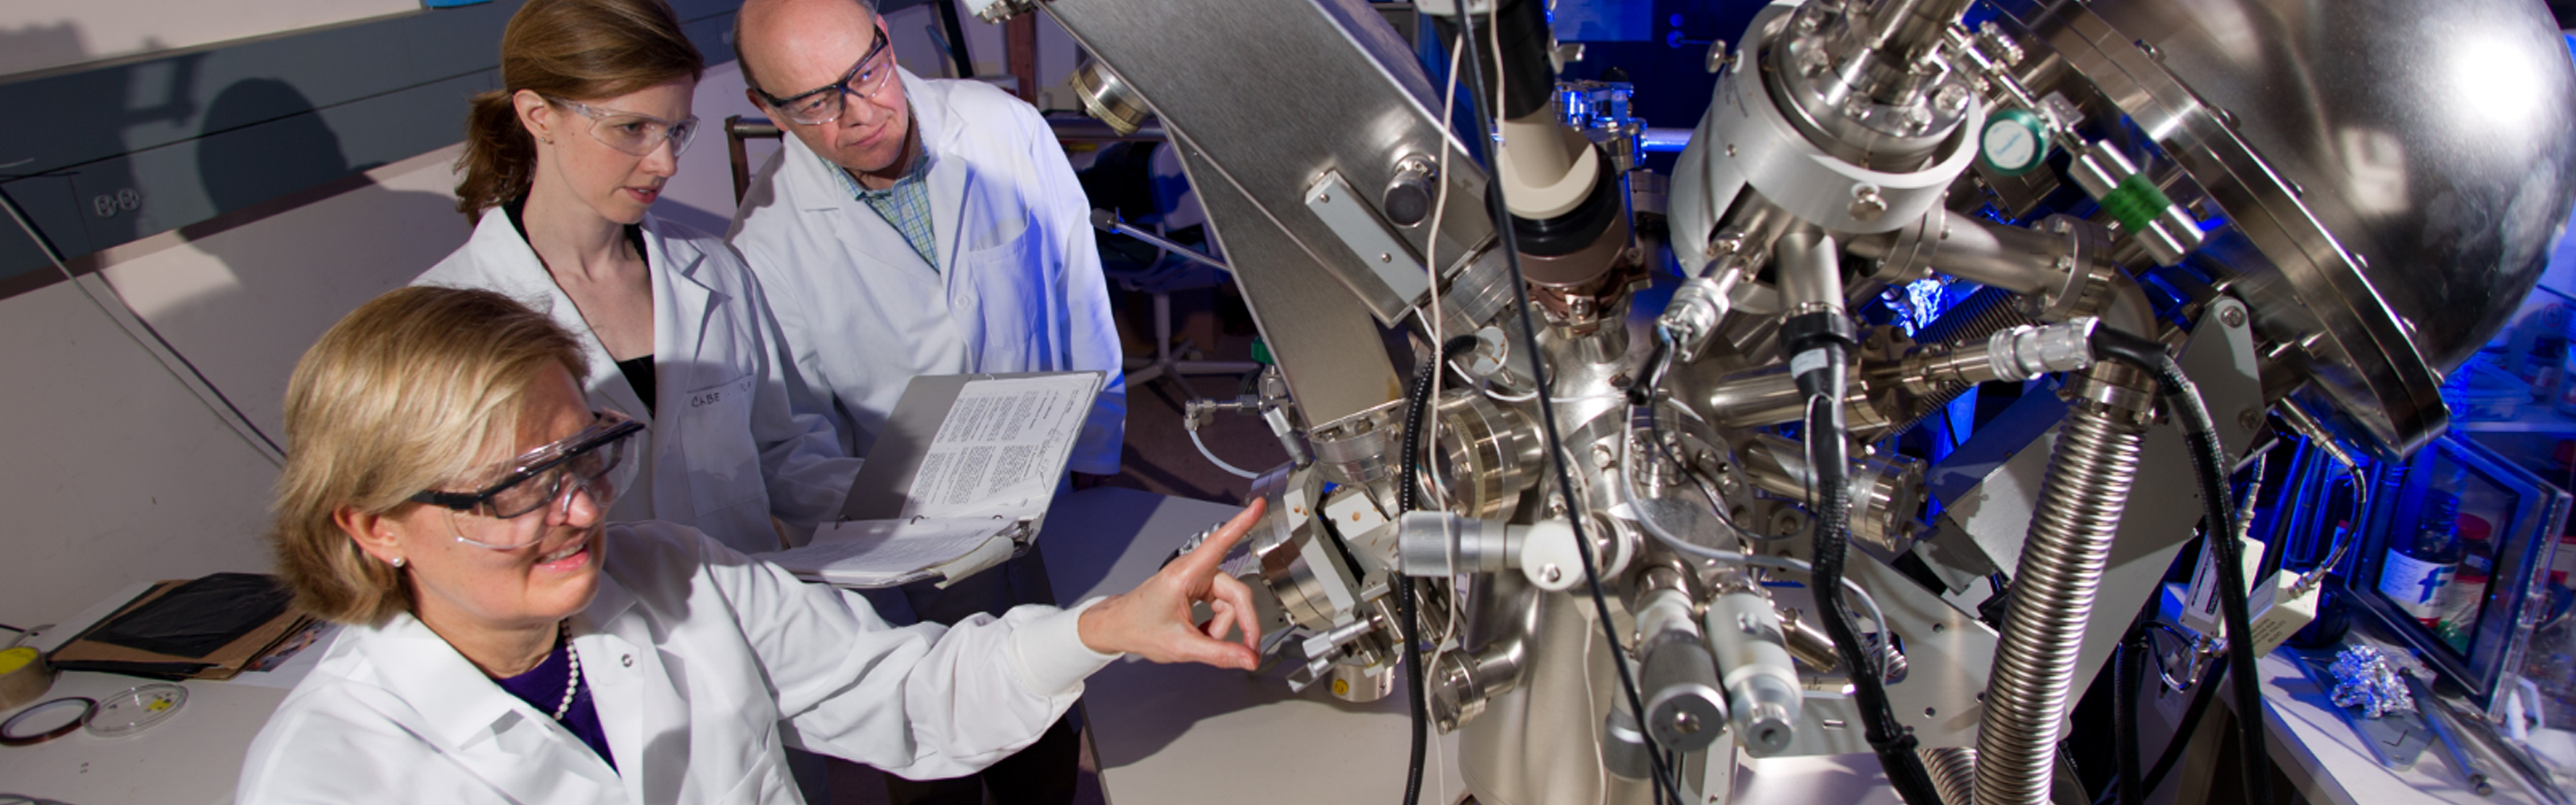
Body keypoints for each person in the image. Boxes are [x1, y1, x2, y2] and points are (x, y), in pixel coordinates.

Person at [236, 286, 1265, 804]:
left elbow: (908, 695)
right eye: (517, 489)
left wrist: (1110, 627)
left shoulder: (677, 572)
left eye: (583, 458)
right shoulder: (328, 773)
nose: (583, 513)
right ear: (373, 525)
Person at [726, 2, 1127, 800]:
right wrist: (913, 491)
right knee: (930, 755)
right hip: (909, 547)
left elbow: (1076, 288)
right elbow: (788, 448)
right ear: (768, 109)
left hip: (1047, 494)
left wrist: (1095, 451)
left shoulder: (1000, 129)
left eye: (865, 72)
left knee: (1053, 715)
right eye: (813, 103)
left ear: (882, 32)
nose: (857, 111)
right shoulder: (762, 245)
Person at [418, 0, 854, 555]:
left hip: (751, 613)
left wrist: (931, 508)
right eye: (631, 128)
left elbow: (784, 456)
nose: (665, 163)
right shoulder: (448, 318)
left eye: (676, 131)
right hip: (601, 633)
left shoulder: (715, 271)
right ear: (537, 114)